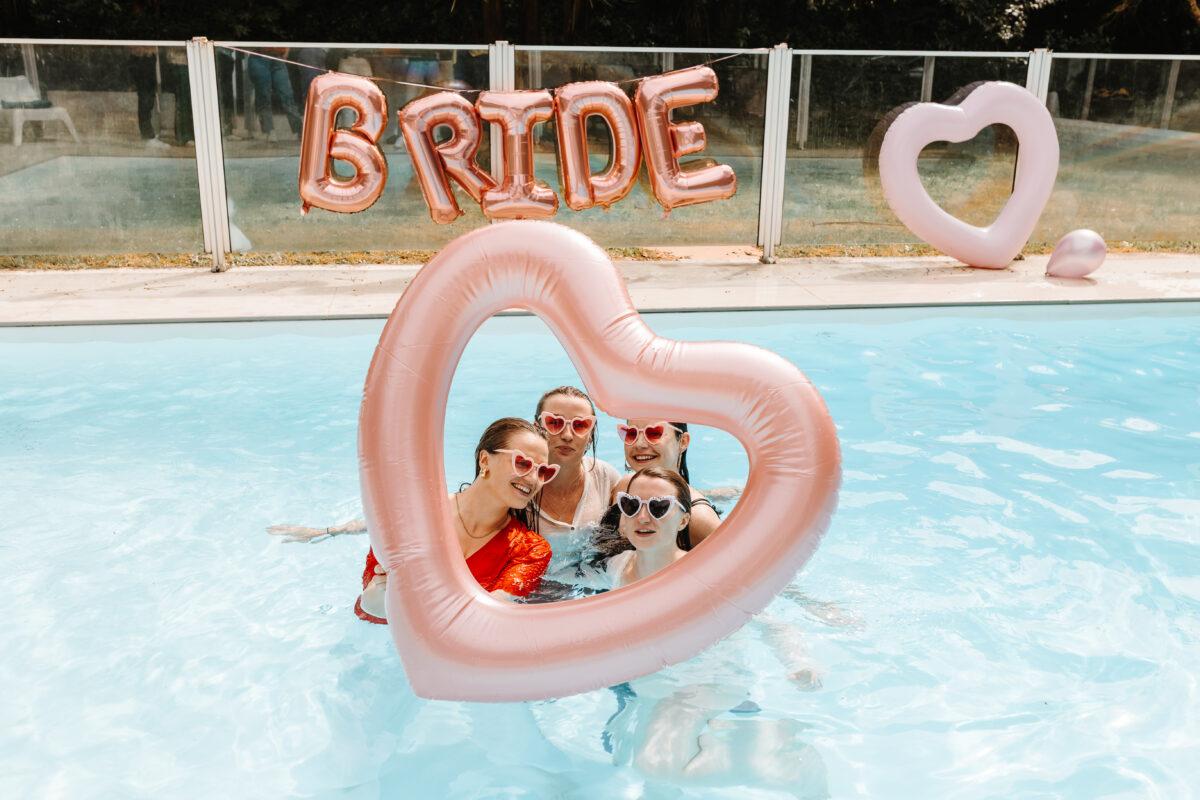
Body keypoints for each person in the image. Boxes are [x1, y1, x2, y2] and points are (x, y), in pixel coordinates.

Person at [604, 467, 689, 589]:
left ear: (683, 521)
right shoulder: (616, 567)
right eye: (633, 505)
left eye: (659, 506)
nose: (642, 518)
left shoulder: (698, 574)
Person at [247, 48, 301, 141]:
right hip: (258, 56)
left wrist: (286, 50)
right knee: (264, 95)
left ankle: (299, 129)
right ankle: (268, 130)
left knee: (287, 94)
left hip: (277, 57)